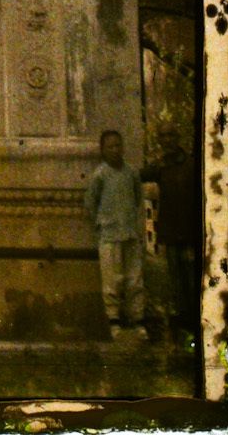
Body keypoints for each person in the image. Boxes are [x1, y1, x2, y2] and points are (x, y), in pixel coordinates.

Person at [85, 127, 146, 340]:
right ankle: (114, 322)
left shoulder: (131, 173)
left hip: (130, 233)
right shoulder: (99, 175)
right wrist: (102, 224)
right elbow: (91, 203)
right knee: (112, 281)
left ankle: (138, 320)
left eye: (118, 145)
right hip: (109, 236)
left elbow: (138, 199)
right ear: (102, 150)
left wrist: (133, 224)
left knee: (134, 279)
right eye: (109, 146)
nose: (114, 150)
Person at [143, 129, 199, 339]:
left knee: (192, 276)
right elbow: (140, 175)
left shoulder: (191, 165)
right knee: (176, 279)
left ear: (178, 138)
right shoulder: (161, 166)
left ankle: (196, 318)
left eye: (171, 136)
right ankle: (183, 321)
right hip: (171, 231)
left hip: (190, 231)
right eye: (163, 137)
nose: (167, 141)